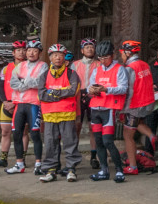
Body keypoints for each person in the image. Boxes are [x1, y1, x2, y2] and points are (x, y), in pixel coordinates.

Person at [38, 43, 81, 182]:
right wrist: (62, 93)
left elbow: (72, 91)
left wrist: (53, 93)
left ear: (65, 57)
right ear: (50, 57)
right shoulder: (44, 75)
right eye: (54, 55)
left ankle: (71, 169)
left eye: (60, 55)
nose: (58, 57)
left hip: (67, 113)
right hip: (49, 114)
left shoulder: (72, 74)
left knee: (70, 141)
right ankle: (51, 170)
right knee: (50, 143)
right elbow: (41, 94)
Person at [87, 39, 128, 182]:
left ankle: (119, 170)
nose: (103, 60)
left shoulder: (119, 69)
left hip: (108, 109)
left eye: (106, 57)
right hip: (95, 108)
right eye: (100, 58)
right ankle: (103, 170)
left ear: (112, 55)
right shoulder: (96, 69)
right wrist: (91, 90)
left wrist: (106, 89)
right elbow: (89, 87)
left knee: (108, 141)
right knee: (98, 141)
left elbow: (123, 88)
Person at [6, 38, 46, 175]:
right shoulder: (20, 66)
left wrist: (23, 82)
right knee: (16, 134)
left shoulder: (43, 66)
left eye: (35, 51)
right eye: (29, 50)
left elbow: (40, 83)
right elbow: (13, 83)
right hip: (19, 104)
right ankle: (19, 164)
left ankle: (38, 163)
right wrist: (27, 84)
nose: (31, 53)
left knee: (35, 134)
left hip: (34, 104)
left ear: (39, 53)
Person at [119, 40, 158, 175]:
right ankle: (150, 135)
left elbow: (127, 89)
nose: (121, 56)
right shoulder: (145, 64)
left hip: (133, 104)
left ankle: (133, 167)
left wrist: (123, 108)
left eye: (122, 53)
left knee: (128, 135)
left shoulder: (129, 68)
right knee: (138, 123)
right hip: (147, 102)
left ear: (128, 53)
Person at [0, 40, 25, 168]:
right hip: (7, 103)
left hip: (22, 103)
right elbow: (0, 87)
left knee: (23, 132)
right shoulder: (6, 69)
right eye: (18, 50)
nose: (21, 52)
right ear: (13, 53)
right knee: (5, 132)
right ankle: (3, 158)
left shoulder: (29, 67)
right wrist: (5, 102)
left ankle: (22, 158)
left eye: (24, 50)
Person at [71, 38, 101, 171]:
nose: (89, 49)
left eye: (92, 47)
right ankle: (74, 155)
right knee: (76, 126)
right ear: (82, 50)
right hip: (78, 95)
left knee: (92, 127)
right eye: (86, 47)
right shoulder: (75, 64)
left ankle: (94, 156)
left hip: (93, 95)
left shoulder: (99, 64)